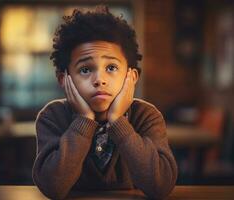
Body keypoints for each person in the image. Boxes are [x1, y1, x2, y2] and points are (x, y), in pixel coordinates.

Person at [32, 5, 177, 200]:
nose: (99, 79)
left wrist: (118, 121)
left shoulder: (146, 116)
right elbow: (52, 188)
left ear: (131, 77)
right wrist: (84, 120)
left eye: (111, 67)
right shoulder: (52, 117)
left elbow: (160, 187)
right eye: (85, 70)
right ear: (64, 79)